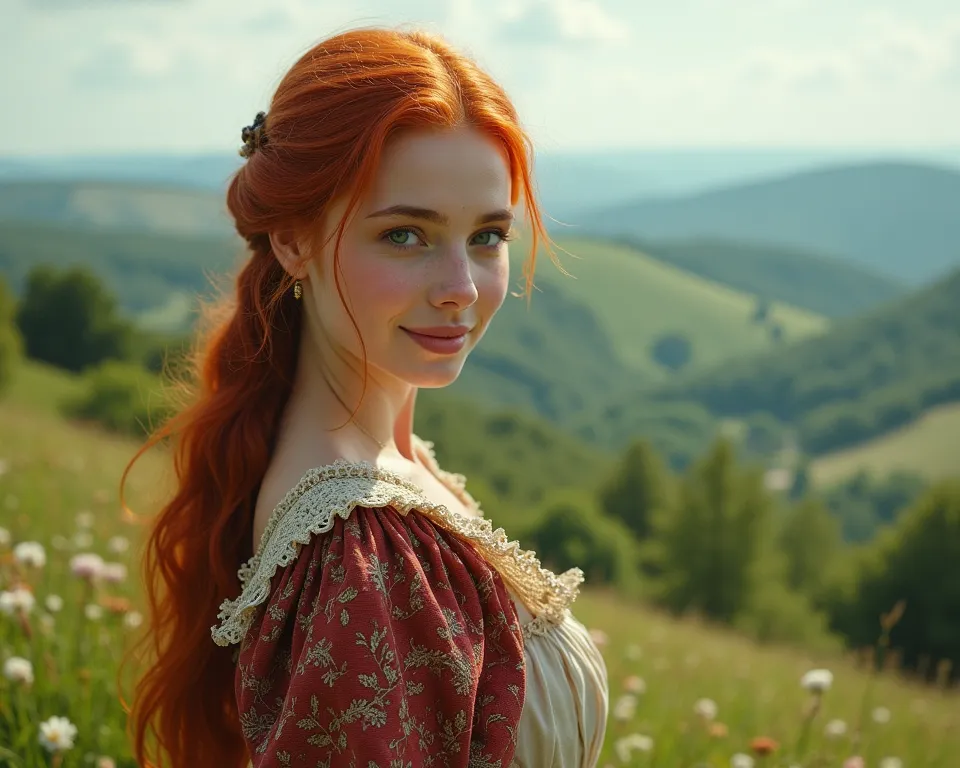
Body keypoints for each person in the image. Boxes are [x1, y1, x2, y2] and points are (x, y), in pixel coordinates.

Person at [120, 25, 608, 768]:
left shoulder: (383, 470)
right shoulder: (361, 557)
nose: (461, 289)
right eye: (405, 236)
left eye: (487, 236)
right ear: (292, 240)